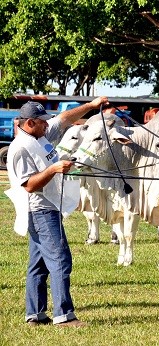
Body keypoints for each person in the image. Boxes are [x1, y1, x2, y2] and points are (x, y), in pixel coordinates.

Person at [6, 97, 109, 327]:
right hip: (40, 210)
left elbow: (63, 119)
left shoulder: (39, 136)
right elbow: (29, 185)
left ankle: (35, 315)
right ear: (30, 122)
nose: (47, 124)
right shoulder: (21, 148)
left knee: (39, 264)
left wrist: (91, 106)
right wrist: (54, 169)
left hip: (48, 207)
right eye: (42, 122)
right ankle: (64, 316)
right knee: (61, 260)